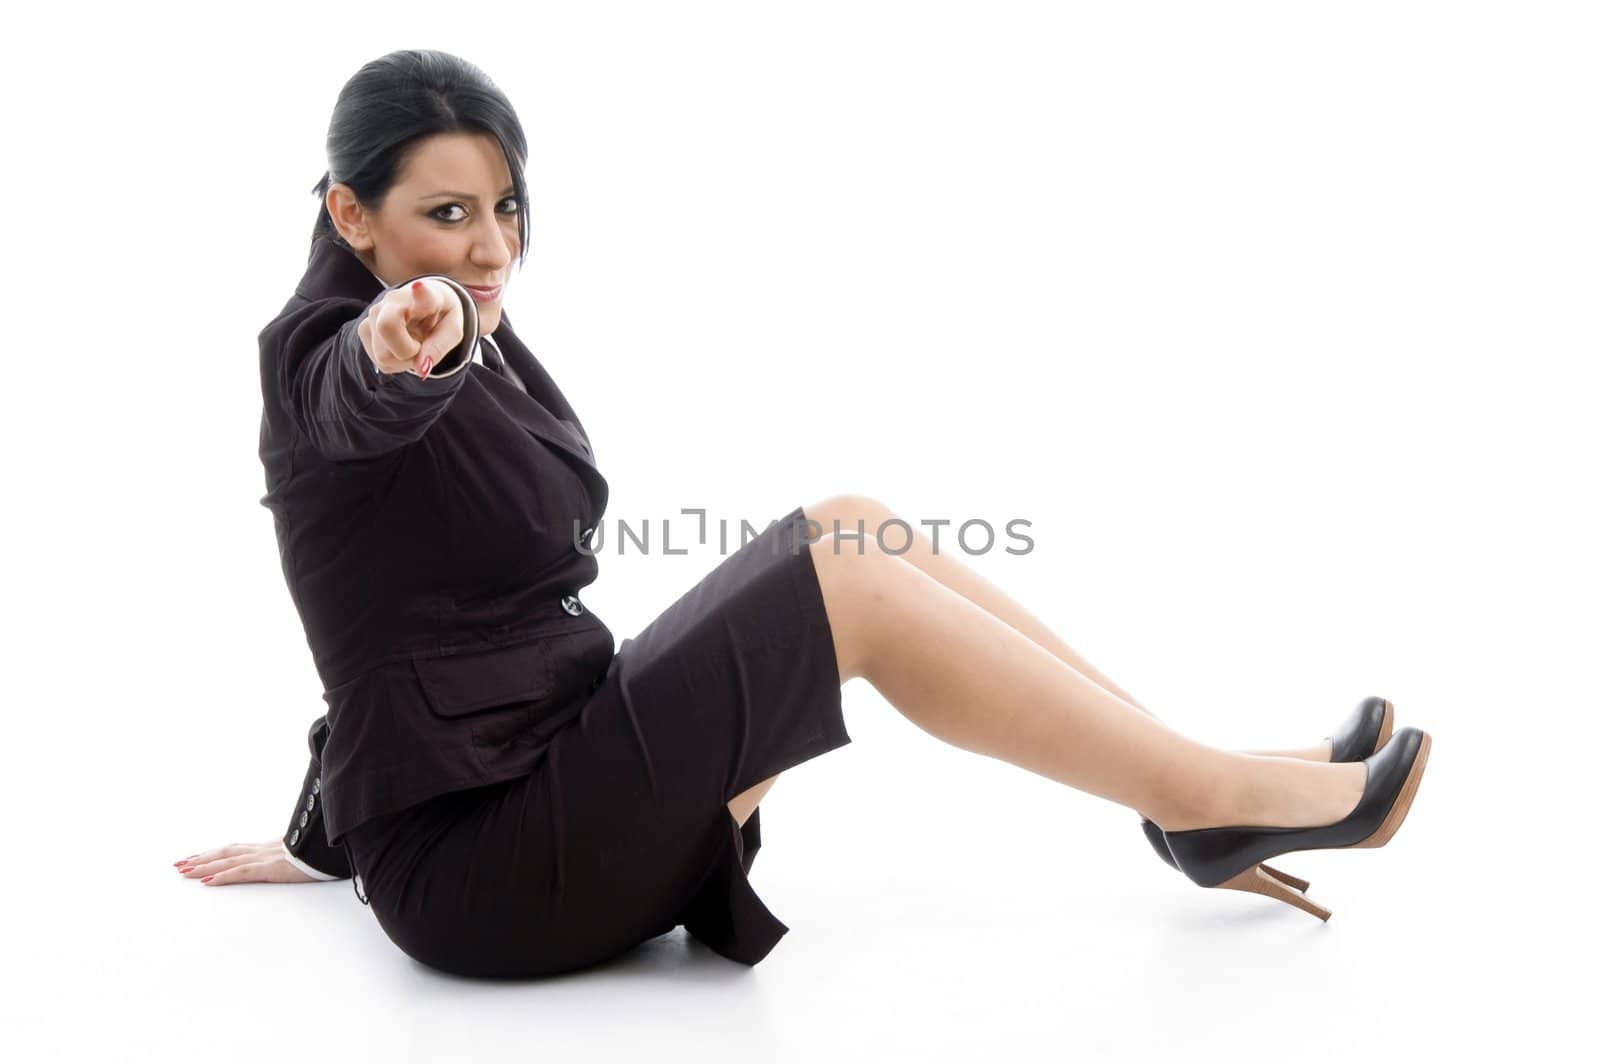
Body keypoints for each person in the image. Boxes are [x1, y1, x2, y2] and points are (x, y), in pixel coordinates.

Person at [173, 49, 1431, 976]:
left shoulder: (472, 312)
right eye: (446, 214)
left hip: (550, 766)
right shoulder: (328, 349)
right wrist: (400, 346)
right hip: (489, 871)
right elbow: (352, 401)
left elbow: (366, 600)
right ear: (350, 215)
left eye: (503, 206)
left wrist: (316, 828)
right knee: (851, 576)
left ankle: (1194, 776)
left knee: (852, 520)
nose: (491, 245)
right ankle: (1202, 793)